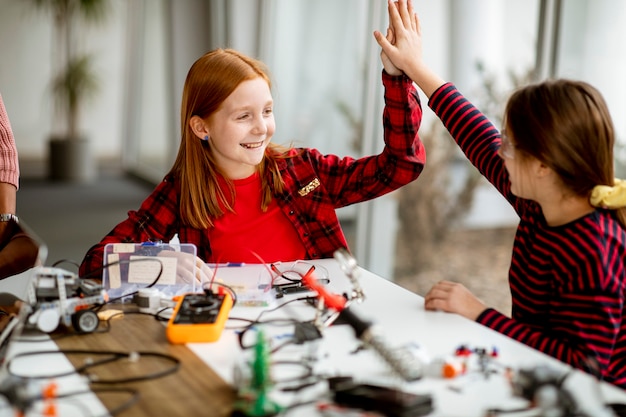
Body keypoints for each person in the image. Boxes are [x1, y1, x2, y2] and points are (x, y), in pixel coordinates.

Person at [374, 0, 626, 388]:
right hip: (537, 377)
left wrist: (478, 313)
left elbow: (583, 364)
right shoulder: (541, 201)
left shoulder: (595, 247)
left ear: (542, 165)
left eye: (511, 145)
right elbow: (477, 136)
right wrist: (411, 68)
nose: (501, 153)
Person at [79, 47, 426, 282]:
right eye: (244, 116)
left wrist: (397, 78)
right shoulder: (183, 190)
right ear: (202, 127)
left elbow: (400, 166)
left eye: (267, 111)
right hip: (235, 334)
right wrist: (153, 262)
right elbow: (93, 264)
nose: (262, 127)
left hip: (321, 320)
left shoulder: (304, 170)